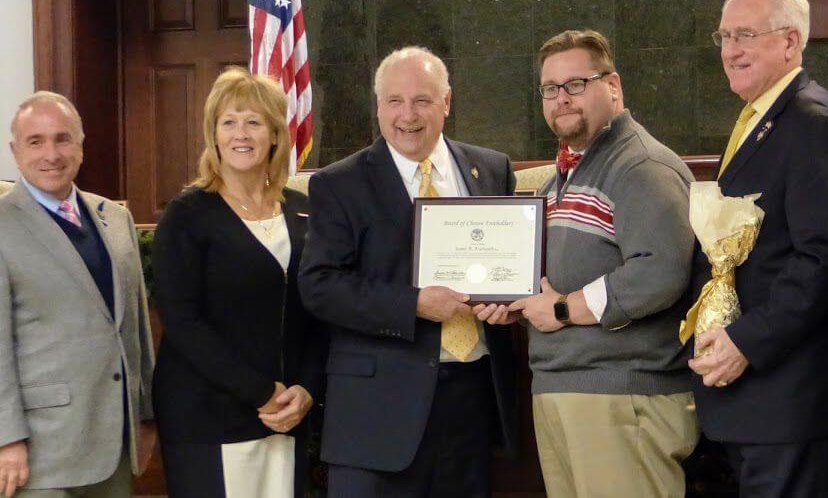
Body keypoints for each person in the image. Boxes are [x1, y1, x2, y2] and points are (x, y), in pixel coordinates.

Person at [298, 46, 518, 497]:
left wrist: (510, 305)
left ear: (447, 103)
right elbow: (319, 286)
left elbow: (511, 270)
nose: (408, 115)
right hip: (376, 415)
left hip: (471, 405)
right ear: (378, 106)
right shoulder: (339, 184)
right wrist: (414, 304)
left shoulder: (492, 170)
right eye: (394, 101)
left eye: (422, 100)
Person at [685, 0, 828, 496]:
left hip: (793, 405)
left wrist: (745, 341)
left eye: (745, 35)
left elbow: (821, 260)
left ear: (791, 41)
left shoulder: (812, 123)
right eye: (724, 37)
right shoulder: (760, 118)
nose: (730, 51)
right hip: (756, 406)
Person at [506, 29, 699, 497]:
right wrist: (508, 298)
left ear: (613, 86)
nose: (561, 99)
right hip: (564, 388)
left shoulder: (640, 167)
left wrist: (560, 310)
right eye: (550, 89)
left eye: (576, 84)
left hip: (622, 396)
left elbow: (659, 272)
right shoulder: (565, 175)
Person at [152, 67, 326, 498]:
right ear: (213, 135)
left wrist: (306, 389)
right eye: (228, 122)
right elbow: (182, 321)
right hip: (210, 417)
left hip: (290, 417)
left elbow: (322, 309)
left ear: (274, 133)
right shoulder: (187, 215)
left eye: (253, 121)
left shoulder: (305, 211)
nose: (240, 134)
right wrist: (262, 393)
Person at [0, 91, 155, 497]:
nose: (52, 153)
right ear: (15, 151)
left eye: (63, 138)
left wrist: (147, 416)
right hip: (39, 454)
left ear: (81, 147)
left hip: (115, 444)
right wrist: (6, 438)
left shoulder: (116, 218)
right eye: (36, 141)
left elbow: (135, 326)